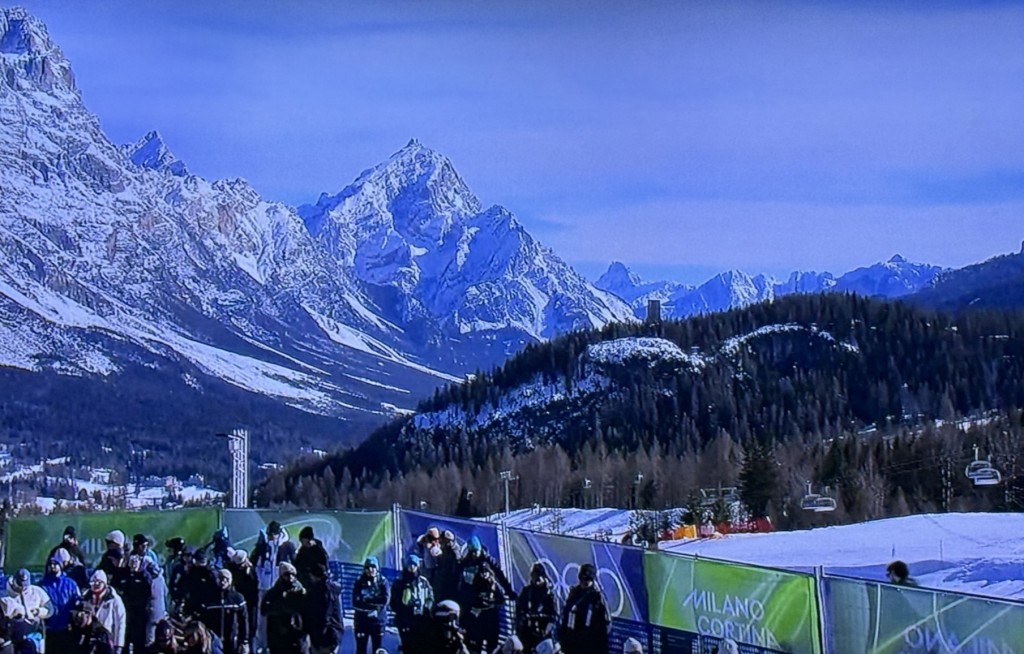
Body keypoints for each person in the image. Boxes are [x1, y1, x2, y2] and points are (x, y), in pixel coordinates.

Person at [558, 563, 610, 654]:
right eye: (581, 578)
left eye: (586, 579)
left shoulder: (597, 597)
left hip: (590, 644)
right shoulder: (574, 594)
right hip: (571, 642)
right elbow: (565, 615)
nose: (583, 582)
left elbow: (606, 622)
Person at [390, 554, 434, 654]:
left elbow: (430, 597)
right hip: (405, 620)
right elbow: (393, 602)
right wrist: (403, 609)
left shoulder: (423, 582)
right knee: (407, 647)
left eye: (414, 565)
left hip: (421, 619)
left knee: (420, 646)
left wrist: (427, 606)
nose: (412, 567)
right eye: (410, 565)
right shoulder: (399, 582)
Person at [259, 562, 306, 654]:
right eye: (287, 574)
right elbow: (264, 610)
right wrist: (281, 608)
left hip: (296, 632)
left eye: (292, 574)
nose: (290, 577)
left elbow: (305, 609)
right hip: (277, 634)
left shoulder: (300, 591)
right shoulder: (273, 593)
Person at [3, 569, 53, 653]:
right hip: (12, 635)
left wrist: (38, 611)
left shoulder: (37, 591)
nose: (23, 588)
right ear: (14, 580)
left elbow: (50, 609)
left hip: (34, 633)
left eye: (25, 585)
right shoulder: (5, 594)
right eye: (20, 585)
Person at [455, 537, 514, 607]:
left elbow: (499, 574)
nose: (473, 555)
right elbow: (460, 568)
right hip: (474, 588)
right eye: (471, 552)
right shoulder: (469, 558)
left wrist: (508, 590)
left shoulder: (487, 559)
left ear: (479, 550)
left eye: (475, 552)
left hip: (487, 587)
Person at [79, 570, 127, 654]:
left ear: (105, 584)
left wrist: (118, 645)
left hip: (107, 640)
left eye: (99, 582)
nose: (96, 585)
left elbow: (120, 623)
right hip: (89, 637)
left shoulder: (114, 599)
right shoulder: (86, 597)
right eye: (93, 582)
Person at [461, 566, 505, 654]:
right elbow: (468, 599)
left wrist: (491, 604)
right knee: (475, 646)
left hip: (491, 620)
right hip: (477, 620)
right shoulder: (475, 583)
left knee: (491, 646)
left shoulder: (494, 585)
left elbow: (501, 599)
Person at [203, 569, 248, 654]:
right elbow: (205, 619)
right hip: (214, 639)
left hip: (232, 639)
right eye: (220, 579)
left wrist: (244, 641)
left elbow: (243, 620)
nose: (223, 582)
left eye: (225, 579)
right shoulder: (209, 597)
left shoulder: (237, 598)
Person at [515, 563, 558, 653]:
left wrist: (539, 617)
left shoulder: (549, 594)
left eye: (538, 577)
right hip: (527, 632)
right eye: (534, 577)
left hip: (542, 633)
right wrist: (522, 619)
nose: (536, 580)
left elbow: (554, 616)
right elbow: (519, 608)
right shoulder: (527, 591)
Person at [42, 555, 80, 653]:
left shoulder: (70, 584)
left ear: (61, 565)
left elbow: (78, 603)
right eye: (50, 564)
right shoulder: (42, 585)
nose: (53, 566)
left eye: (55, 564)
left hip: (67, 630)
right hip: (50, 630)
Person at [120, 554, 157, 654]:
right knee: (126, 639)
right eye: (132, 562)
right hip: (128, 612)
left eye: (135, 563)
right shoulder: (125, 575)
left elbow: (149, 592)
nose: (133, 565)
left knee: (139, 641)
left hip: (140, 613)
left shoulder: (144, 576)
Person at [352, 556, 389, 654]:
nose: (370, 570)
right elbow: (355, 603)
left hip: (378, 622)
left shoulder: (383, 582)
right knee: (361, 649)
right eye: (367, 568)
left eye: (373, 567)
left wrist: (367, 600)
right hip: (361, 622)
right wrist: (373, 604)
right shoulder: (359, 582)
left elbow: (384, 600)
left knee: (377, 650)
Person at [225, 549, 259, 648]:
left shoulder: (232, 567)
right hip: (247, 600)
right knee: (249, 625)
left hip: (248, 600)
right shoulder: (245, 572)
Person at [305, 575, 343, 654]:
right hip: (331, 635)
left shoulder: (322, 591)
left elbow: (325, 616)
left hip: (325, 638)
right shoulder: (329, 590)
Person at [181, 549, 219, 622]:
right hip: (195, 601)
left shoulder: (211, 572)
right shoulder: (193, 570)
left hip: (207, 603)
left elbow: (215, 587)